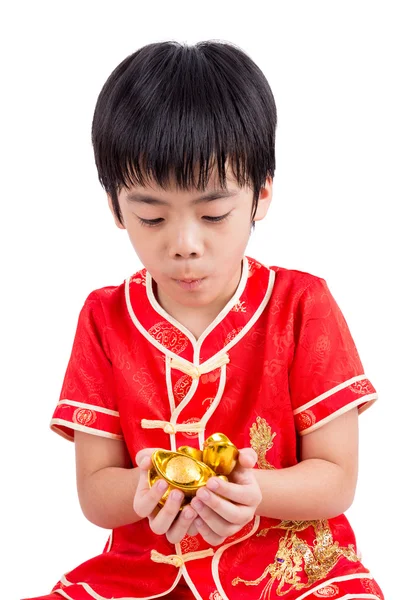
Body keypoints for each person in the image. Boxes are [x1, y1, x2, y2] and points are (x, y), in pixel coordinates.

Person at [23, 40, 385, 600]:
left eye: (213, 213)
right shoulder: (104, 317)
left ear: (260, 195)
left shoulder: (301, 304)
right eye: (151, 215)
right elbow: (96, 493)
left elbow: (336, 478)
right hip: (144, 573)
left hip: (293, 570)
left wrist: (253, 491)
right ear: (117, 209)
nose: (184, 245)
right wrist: (145, 492)